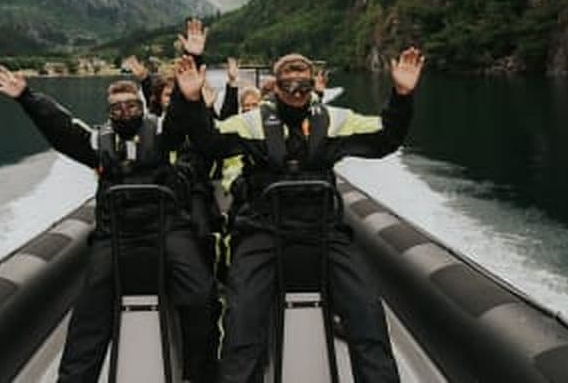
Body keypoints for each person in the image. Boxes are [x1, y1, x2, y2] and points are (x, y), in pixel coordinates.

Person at [171, 48, 425, 383]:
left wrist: (402, 96)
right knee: (243, 320)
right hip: (263, 230)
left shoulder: (336, 120)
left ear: (309, 84)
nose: (295, 82)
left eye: (301, 76)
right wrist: (190, 102)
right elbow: (210, 142)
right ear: (275, 85)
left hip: (324, 230)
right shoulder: (251, 123)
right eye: (288, 76)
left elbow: (385, 139)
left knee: (367, 314)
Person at [0, 68, 218, 382]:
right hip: (115, 233)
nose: (125, 112)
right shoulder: (98, 141)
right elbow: (61, 128)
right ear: (109, 112)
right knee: (89, 314)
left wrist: (187, 97)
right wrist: (27, 98)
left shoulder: (163, 133)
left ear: (141, 105)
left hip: (167, 226)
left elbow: (180, 120)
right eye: (117, 108)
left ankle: (199, 374)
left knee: (200, 294)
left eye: (131, 105)